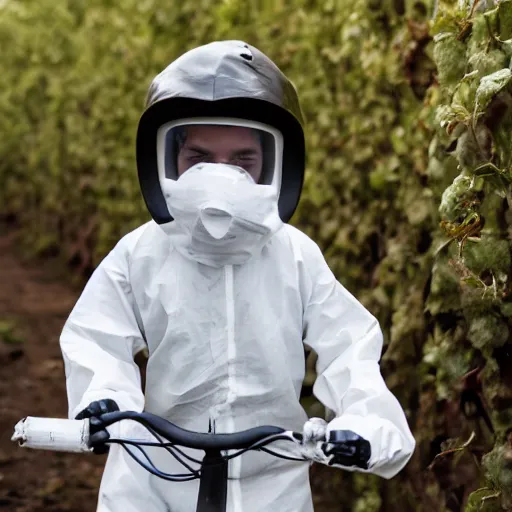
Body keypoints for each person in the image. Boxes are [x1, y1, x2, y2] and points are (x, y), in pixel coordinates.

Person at [60, 40, 415, 512]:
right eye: (199, 159)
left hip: (273, 480)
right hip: (151, 476)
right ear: (166, 159)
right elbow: (95, 337)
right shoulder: (140, 252)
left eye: (243, 161)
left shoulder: (295, 257)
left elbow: (350, 347)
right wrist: (104, 400)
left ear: (275, 164)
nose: (219, 179)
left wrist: (367, 423)